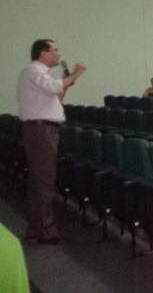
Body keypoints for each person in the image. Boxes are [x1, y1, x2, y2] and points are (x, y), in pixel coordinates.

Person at [18, 39, 86, 243]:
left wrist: (67, 83)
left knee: (39, 181)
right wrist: (77, 72)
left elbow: (56, 97)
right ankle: (45, 231)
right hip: (41, 131)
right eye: (55, 50)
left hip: (41, 130)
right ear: (43, 54)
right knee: (44, 181)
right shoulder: (34, 71)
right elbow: (52, 87)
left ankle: (36, 226)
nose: (58, 53)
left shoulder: (38, 74)